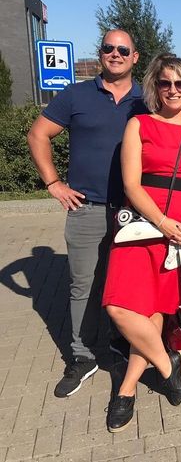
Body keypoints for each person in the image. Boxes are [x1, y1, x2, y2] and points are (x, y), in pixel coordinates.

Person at [102, 54, 181, 432]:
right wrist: (162, 222)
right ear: (155, 86)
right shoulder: (139, 125)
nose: (172, 90)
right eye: (165, 82)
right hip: (142, 225)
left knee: (152, 311)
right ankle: (169, 365)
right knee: (119, 306)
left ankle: (126, 390)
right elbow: (131, 184)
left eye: (180, 83)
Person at [27, 29, 146, 398]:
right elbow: (37, 135)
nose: (115, 54)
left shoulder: (147, 99)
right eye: (109, 48)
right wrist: (53, 183)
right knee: (84, 286)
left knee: (129, 286)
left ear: (135, 56)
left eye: (123, 49)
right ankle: (82, 356)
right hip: (87, 209)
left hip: (135, 212)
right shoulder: (76, 95)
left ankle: (123, 345)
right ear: (101, 53)